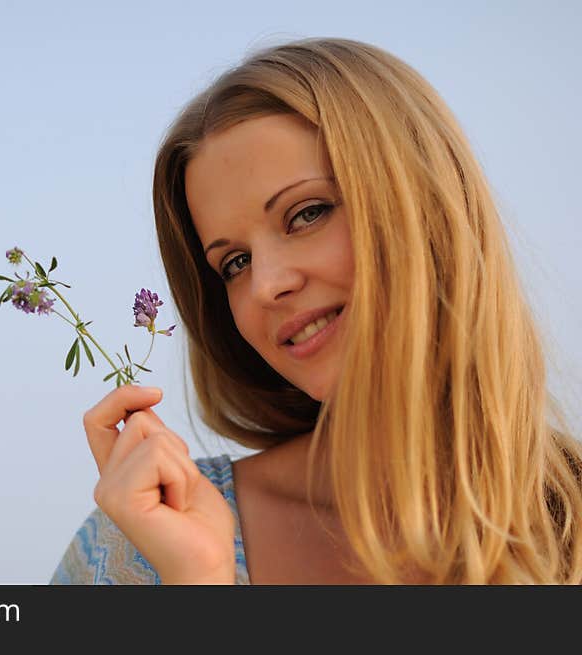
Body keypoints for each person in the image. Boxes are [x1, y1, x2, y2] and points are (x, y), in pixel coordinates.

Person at [49, 37, 582, 585]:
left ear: (425, 206)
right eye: (234, 262)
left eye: (306, 214)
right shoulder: (134, 549)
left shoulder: (570, 518)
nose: (264, 287)